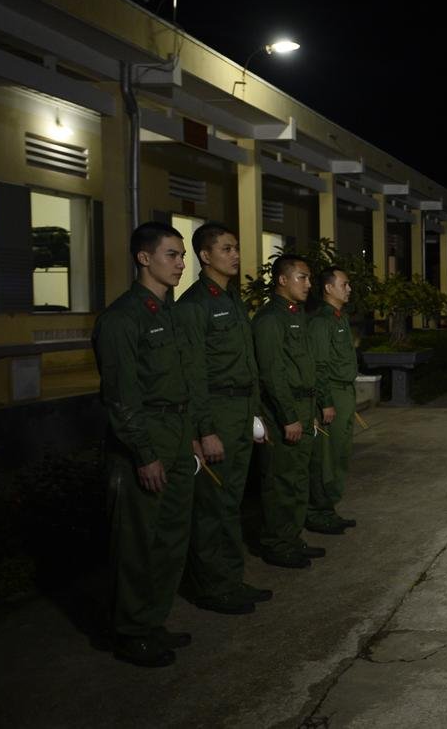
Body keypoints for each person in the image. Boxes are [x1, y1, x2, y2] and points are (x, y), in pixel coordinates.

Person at [93, 222, 208, 666]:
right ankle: (131, 632)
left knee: (170, 538)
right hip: (146, 438)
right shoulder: (123, 318)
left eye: (182, 255)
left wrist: (193, 434)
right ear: (144, 258)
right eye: (172, 255)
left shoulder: (170, 314)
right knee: (137, 541)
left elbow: (185, 380)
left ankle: (152, 621)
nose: (181, 263)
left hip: (177, 436)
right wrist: (144, 453)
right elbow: (121, 396)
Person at [178, 223, 271, 616]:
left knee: (230, 502)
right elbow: (193, 373)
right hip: (215, 413)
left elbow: (245, 363)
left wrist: (255, 415)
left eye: (236, 247)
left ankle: (230, 579)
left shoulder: (231, 299)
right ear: (205, 255)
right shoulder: (194, 305)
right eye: (227, 248)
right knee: (212, 507)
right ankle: (212, 587)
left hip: (238, 411)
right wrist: (205, 429)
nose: (235, 254)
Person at [252, 254, 324, 569]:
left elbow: (304, 365)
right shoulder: (270, 319)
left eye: (309, 279)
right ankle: (276, 544)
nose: (308, 284)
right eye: (302, 278)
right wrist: (289, 416)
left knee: (297, 478)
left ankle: (291, 537)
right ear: (283, 280)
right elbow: (272, 373)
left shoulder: (296, 315)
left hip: (303, 405)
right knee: (280, 480)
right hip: (287, 408)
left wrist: (312, 408)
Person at [306, 267, 360, 535]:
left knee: (340, 454)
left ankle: (329, 508)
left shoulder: (340, 318)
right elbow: (319, 365)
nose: (348, 289)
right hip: (333, 393)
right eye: (344, 284)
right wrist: (326, 401)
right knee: (326, 458)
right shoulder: (321, 321)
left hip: (345, 392)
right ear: (328, 288)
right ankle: (318, 511)